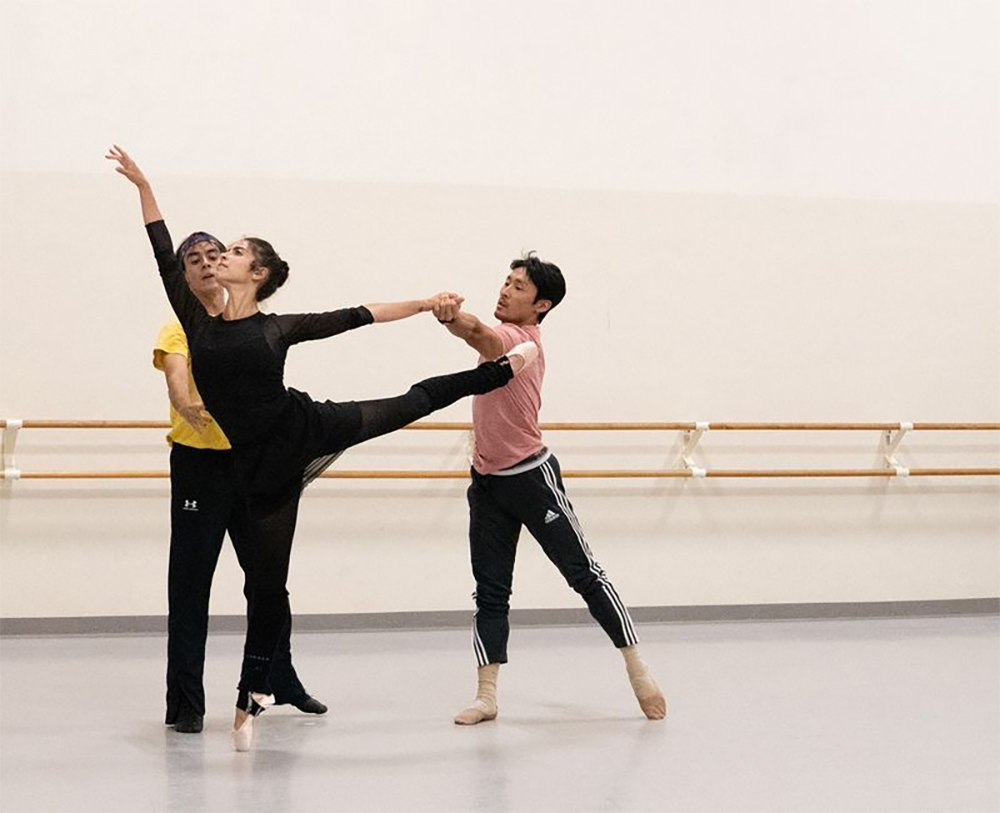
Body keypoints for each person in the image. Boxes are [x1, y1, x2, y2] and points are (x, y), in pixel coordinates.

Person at [108, 145, 537, 751]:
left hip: (305, 428)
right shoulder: (193, 319)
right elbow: (160, 249)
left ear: (255, 273)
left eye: (232, 252)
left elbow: (356, 315)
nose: (218, 259)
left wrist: (423, 305)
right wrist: (144, 186)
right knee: (266, 581)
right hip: (261, 473)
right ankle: (253, 695)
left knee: (409, 402)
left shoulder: (277, 327)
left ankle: (497, 373)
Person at [431, 254, 667, 724]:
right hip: (487, 483)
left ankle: (638, 670)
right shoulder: (505, 336)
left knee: (584, 575)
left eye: (518, 287)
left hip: (532, 479)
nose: (505, 290)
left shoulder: (524, 342)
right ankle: (487, 695)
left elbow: (480, 334)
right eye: (505, 281)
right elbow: (477, 337)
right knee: (490, 591)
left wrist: (454, 317)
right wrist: (455, 321)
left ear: (541, 305)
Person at [155, 231, 326, 734]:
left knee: (269, 582)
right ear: (183, 275)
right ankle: (186, 703)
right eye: (194, 260)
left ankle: (281, 678)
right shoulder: (179, 324)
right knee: (190, 586)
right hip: (198, 468)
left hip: (254, 468)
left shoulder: (249, 326)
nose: (207, 265)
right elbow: (177, 373)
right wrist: (186, 398)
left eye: (214, 255)